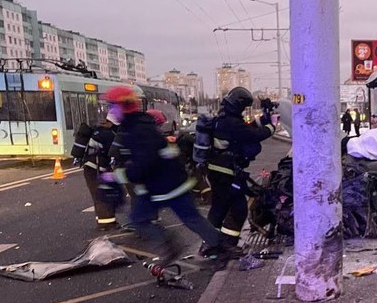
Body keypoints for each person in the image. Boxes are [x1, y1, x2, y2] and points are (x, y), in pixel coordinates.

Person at [103, 86, 225, 263]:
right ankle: (219, 245)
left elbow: (144, 163)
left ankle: (172, 244)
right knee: (190, 219)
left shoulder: (136, 130)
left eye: (111, 106)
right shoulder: (139, 125)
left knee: (140, 220)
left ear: (123, 106)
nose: (110, 110)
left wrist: (117, 176)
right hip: (167, 183)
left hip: (163, 186)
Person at [197, 86, 275, 253]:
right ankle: (228, 244)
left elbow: (247, 128)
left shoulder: (225, 118)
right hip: (226, 172)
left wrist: (264, 117)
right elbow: (252, 135)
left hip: (219, 170)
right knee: (239, 208)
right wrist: (272, 127)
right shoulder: (231, 122)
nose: (244, 110)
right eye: (244, 106)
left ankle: (211, 243)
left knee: (219, 207)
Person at [72, 113, 120, 230]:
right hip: (97, 168)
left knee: (99, 194)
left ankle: (105, 221)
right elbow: (114, 152)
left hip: (91, 167)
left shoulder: (97, 130)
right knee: (102, 194)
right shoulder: (108, 134)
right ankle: (106, 224)